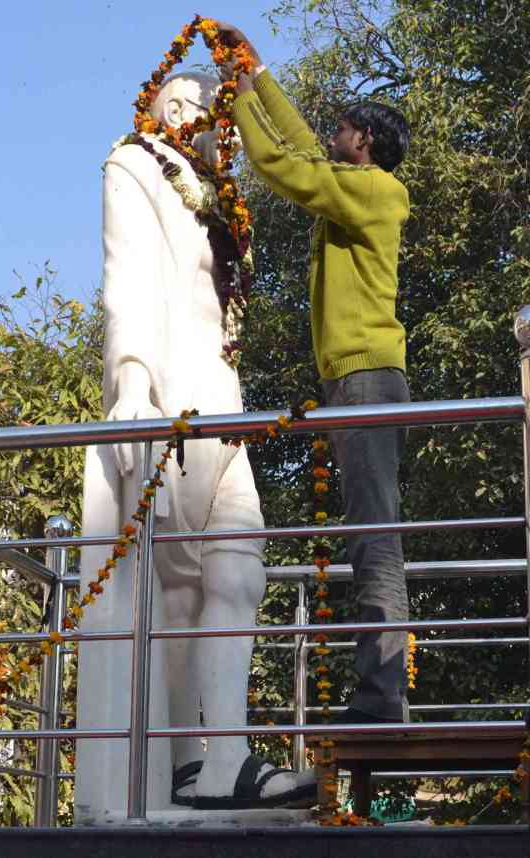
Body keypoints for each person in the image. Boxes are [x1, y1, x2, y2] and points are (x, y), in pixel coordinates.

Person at [75, 71, 314, 821]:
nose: (186, 119)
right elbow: (129, 278)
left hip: (221, 399)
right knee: (176, 586)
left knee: (241, 565)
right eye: (170, 105)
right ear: (150, 111)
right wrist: (134, 384)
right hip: (170, 393)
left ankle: (227, 756)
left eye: (200, 110)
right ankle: (186, 763)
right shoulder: (136, 163)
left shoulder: (221, 202)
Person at [218, 22, 412, 725]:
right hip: (352, 379)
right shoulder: (353, 183)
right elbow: (303, 150)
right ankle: (380, 694)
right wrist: (259, 71)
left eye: (342, 126)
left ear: (364, 142)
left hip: (367, 378)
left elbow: (284, 167)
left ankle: (382, 698)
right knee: (368, 531)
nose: (332, 130)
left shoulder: (379, 191)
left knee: (374, 534)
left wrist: (238, 98)